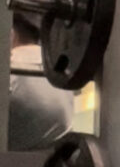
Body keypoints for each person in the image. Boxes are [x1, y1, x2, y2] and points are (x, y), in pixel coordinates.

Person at [9, 12, 73, 151]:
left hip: (9, 165)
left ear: (11, 34)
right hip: (55, 163)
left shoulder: (10, 64)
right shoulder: (58, 70)